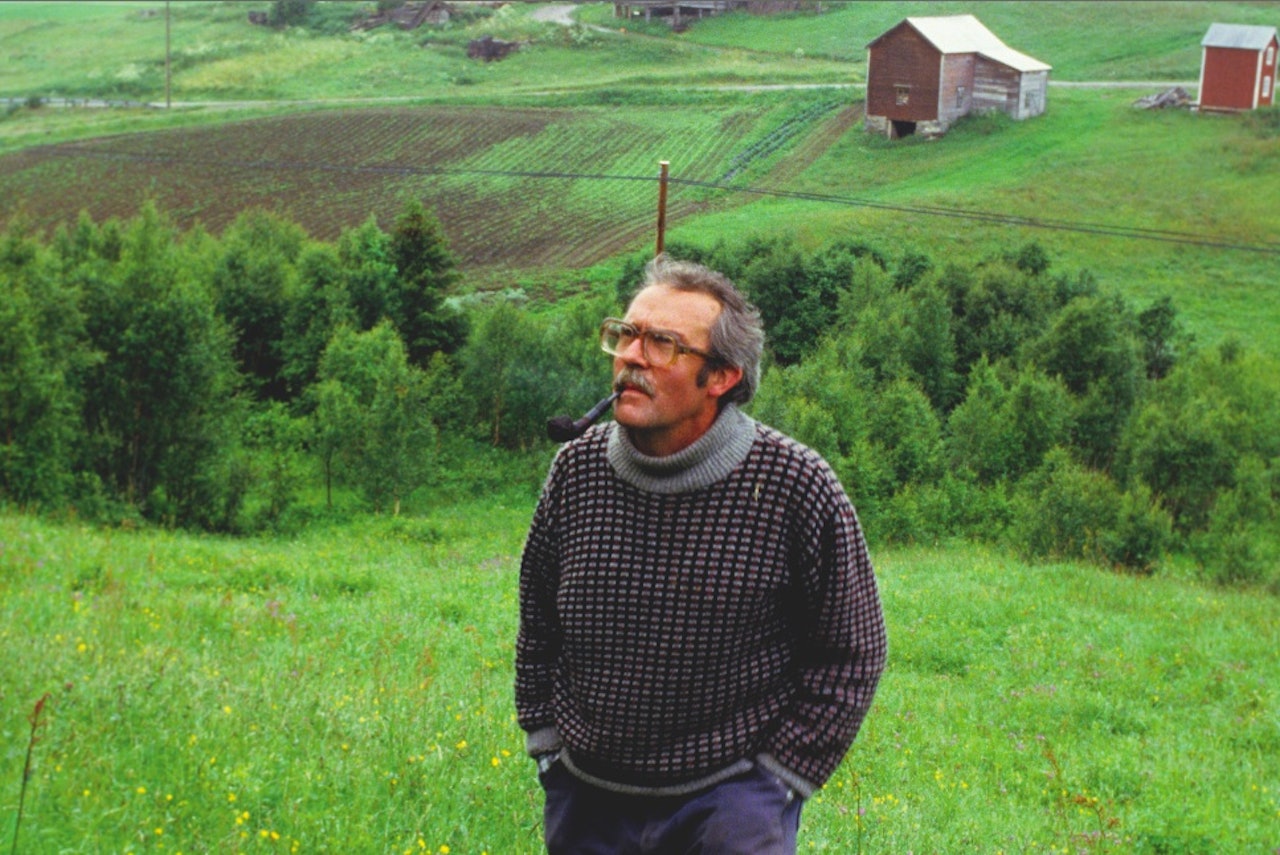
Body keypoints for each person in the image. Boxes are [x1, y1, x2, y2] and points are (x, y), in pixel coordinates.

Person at [515, 254, 887, 854]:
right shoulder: (576, 471)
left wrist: (776, 782)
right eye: (626, 335)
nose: (632, 357)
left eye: (663, 344)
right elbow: (538, 618)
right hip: (586, 798)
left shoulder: (795, 483)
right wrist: (547, 746)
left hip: (729, 803)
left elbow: (853, 649)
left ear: (721, 378)